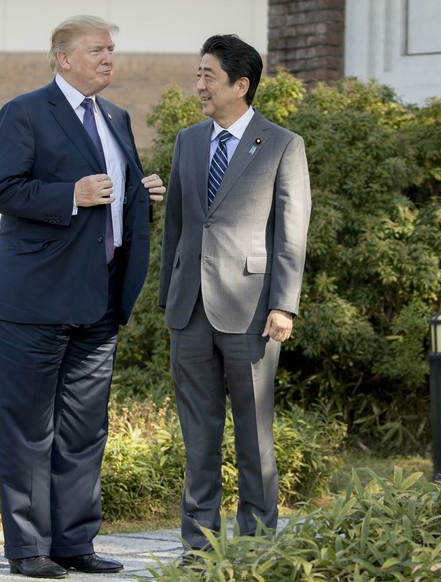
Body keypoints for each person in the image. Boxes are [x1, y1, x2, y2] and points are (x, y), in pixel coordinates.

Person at [0, 15, 165, 579]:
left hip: (98, 298)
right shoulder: (25, 111)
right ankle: (29, 550)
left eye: (112, 50)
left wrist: (141, 191)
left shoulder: (116, 117)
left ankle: (75, 544)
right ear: (62, 58)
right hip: (31, 299)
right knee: (29, 426)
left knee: (85, 428)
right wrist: (71, 194)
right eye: (97, 50)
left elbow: (116, 193)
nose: (109, 59)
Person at [157, 34, 311, 552]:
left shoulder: (283, 144)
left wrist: (284, 304)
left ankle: (257, 544)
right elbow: (175, 227)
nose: (198, 84)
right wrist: (168, 299)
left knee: (254, 435)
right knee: (198, 435)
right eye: (198, 73)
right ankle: (199, 547)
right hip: (190, 310)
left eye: (208, 76)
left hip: (253, 313)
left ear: (240, 85)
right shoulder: (188, 141)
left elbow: (292, 233)